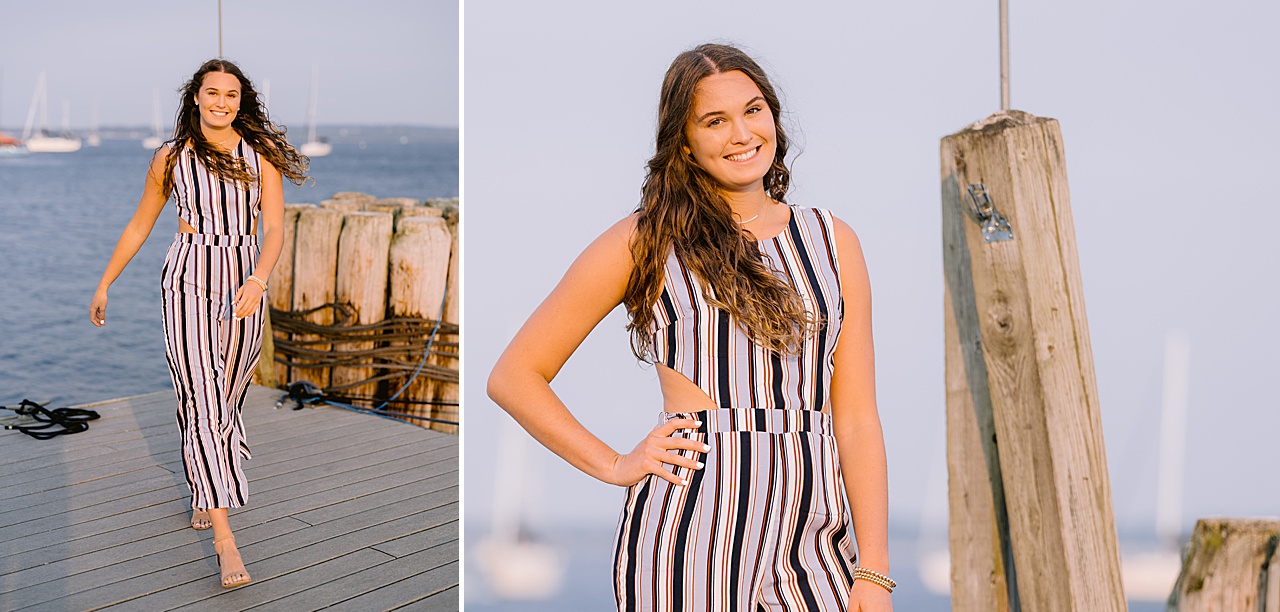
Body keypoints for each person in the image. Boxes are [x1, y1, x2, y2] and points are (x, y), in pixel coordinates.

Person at [488, 43, 893, 611]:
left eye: (753, 110)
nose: (741, 134)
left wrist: (874, 572)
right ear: (683, 140)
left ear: (773, 115)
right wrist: (614, 464)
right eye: (715, 120)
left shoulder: (833, 240)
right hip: (692, 524)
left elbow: (854, 417)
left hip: (815, 532)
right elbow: (514, 375)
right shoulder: (646, 240)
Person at [90, 58, 308, 588]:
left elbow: (274, 228)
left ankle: (202, 483)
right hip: (186, 278)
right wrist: (105, 282)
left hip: (242, 283)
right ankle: (224, 539)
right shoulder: (170, 158)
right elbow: (142, 222)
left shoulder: (261, 157)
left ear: (241, 102)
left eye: (232, 95)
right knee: (201, 399)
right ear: (195, 98)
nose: (222, 102)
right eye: (213, 92)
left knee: (227, 397)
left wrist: (257, 280)